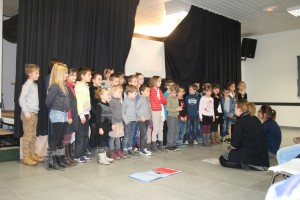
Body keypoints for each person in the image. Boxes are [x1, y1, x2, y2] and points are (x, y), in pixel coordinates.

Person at [219, 100, 269, 170]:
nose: (234, 109)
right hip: (262, 156)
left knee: (223, 159)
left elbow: (235, 145)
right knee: (229, 153)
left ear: (240, 109)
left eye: (235, 107)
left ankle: (249, 165)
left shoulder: (240, 122)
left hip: (250, 154)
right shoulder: (255, 119)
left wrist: (231, 142)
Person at [45, 63, 70, 170]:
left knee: (61, 139)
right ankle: (52, 161)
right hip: (57, 114)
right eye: (65, 73)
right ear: (59, 74)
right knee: (55, 139)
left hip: (63, 114)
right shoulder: (55, 85)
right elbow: (48, 101)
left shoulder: (64, 85)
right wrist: (56, 108)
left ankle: (60, 158)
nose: (67, 75)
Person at [19, 64, 44, 166]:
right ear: (29, 74)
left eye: (38, 73)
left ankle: (32, 154)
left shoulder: (34, 85)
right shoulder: (27, 85)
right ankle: (26, 156)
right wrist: (26, 112)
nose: (38, 75)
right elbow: (21, 99)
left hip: (34, 113)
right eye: (36, 73)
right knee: (28, 136)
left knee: (33, 136)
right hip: (28, 114)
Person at [74, 67, 92, 163]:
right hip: (80, 114)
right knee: (80, 136)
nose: (91, 76)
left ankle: (84, 153)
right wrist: (81, 115)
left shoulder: (85, 86)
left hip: (85, 113)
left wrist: (88, 112)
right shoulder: (79, 86)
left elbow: (86, 102)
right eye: (89, 74)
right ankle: (78, 155)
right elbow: (79, 102)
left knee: (85, 135)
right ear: (82, 76)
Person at [95, 88, 114, 165]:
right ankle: (101, 158)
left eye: (109, 94)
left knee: (105, 140)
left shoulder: (107, 104)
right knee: (101, 141)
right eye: (107, 94)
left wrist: (112, 124)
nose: (109, 95)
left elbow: (110, 115)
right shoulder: (99, 105)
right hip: (102, 126)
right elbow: (98, 118)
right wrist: (100, 128)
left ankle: (105, 156)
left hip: (107, 125)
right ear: (101, 96)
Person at [64, 68, 79, 166]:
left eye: (75, 75)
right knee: (66, 136)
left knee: (69, 136)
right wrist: (69, 116)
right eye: (72, 75)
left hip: (73, 115)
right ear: (67, 76)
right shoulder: (66, 87)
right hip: (69, 116)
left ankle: (69, 156)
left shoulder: (72, 87)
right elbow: (67, 104)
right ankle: (65, 157)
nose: (74, 77)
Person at [149, 76, 167, 152]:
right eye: (159, 81)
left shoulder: (159, 90)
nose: (160, 82)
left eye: (161, 81)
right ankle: (153, 144)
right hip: (155, 110)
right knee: (155, 128)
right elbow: (156, 100)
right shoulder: (152, 90)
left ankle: (161, 144)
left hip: (161, 110)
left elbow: (165, 101)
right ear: (154, 82)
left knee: (161, 128)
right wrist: (161, 100)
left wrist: (161, 100)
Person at [109, 85, 126, 159]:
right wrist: (113, 123)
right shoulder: (111, 102)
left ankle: (118, 150)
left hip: (119, 122)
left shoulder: (119, 101)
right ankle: (112, 151)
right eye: (119, 92)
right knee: (112, 137)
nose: (120, 94)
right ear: (114, 92)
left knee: (118, 137)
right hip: (114, 123)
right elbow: (111, 113)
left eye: (121, 92)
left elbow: (120, 112)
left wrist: (122, 120)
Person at [122, 85, 139, 157]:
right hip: (128, 121)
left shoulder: (134, 101)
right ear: (129, 93)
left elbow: (136, 110)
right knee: (126, 136)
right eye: (135, 93)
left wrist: (137, 118)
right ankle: (125, 149)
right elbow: (122, 112)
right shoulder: (126, 101)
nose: (136, 95)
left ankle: (129, 148)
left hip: (134, 120)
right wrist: (125, 120)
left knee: (131, 135)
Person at [136, 85, 152, 155]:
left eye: (149, 91)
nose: (149, 92)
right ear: (142, 92)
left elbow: (149, 110)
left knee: (145, 135)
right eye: (147, 91)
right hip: (141, 120)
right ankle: (142, 149)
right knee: (143, 135)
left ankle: (144, 148)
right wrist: (141, 116)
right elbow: (136, 108)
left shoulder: (148, 99)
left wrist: (149, 117)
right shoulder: (140, 99)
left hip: (147, 120)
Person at [166, 84, 182, 151]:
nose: (175, 94)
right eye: (174, 93)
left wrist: (179, 108)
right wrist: (176, 109)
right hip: (171, 116)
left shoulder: (176, 98)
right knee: (171, 131)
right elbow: (167, 108)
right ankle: (169, 144)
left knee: (176, 130)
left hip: (176, 116)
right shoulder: (168, 98)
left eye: (176, 93)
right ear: (170, 91)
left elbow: (176, 106)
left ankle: (174, 144)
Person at [89, 72, 102, 153]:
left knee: (98, 131)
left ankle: (97, 146)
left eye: (101, 79)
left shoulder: (99, 89)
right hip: (93, 114)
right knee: (94, 131)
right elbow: (90, 103)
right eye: (99, 79)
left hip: (99, 114)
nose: (101, 81)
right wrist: (95, 113)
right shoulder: (90, 89)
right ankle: (92, 147)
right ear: (93, 80)